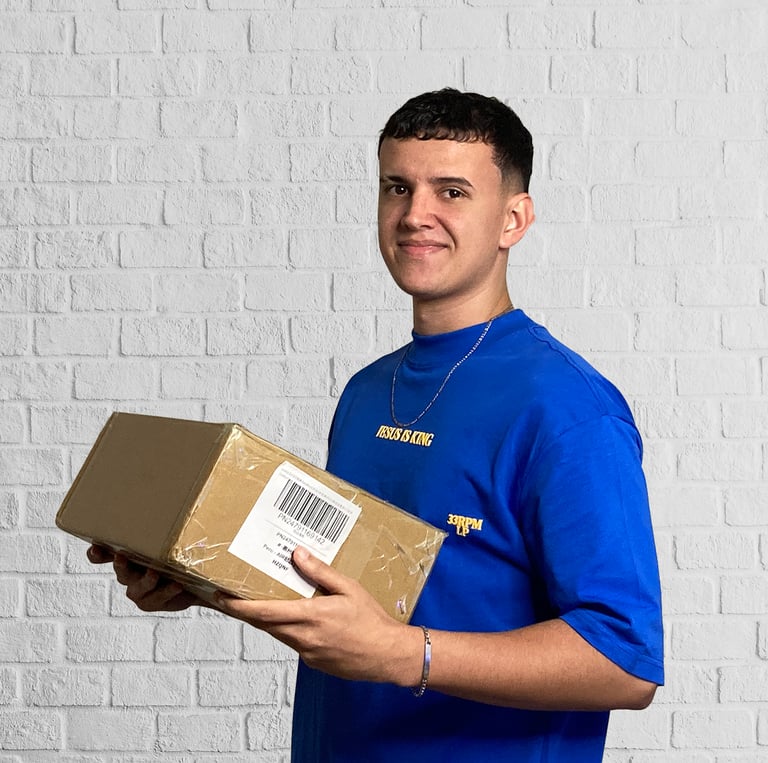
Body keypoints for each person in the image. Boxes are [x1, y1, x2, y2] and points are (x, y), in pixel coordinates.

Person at [89, 88, 664, 762]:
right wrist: (203, 582)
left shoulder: (568, 408)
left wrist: (404, 654)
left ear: (513, 220)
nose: (415, 214)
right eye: (398, 187)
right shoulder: (366, 391)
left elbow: (625, 661)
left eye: (451, 192)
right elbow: (357, 611)